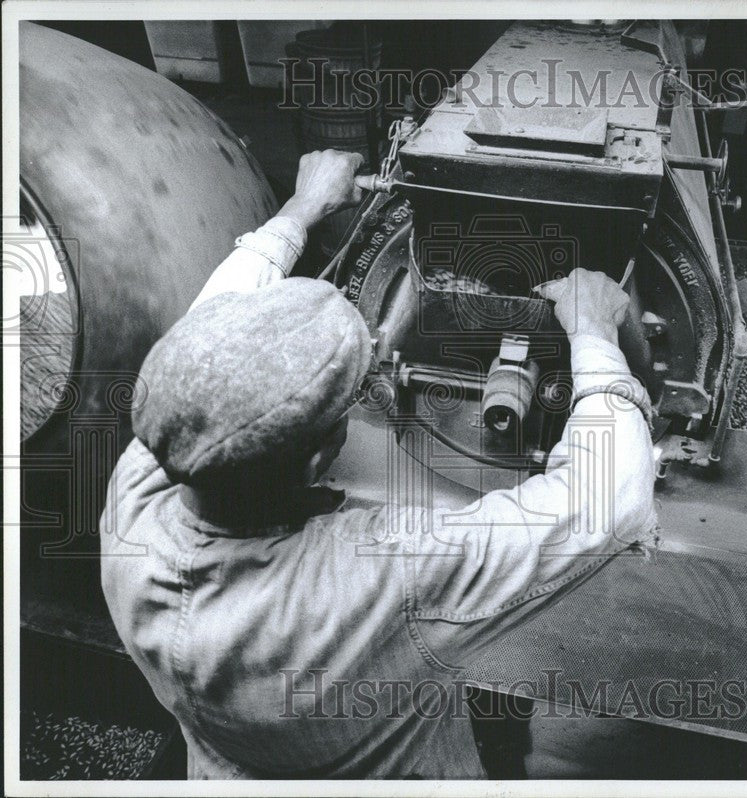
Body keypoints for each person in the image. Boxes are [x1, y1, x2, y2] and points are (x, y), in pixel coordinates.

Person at [100, 149, 657, 779]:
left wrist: (300, 211)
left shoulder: (132, 506)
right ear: (316, 458)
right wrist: (594, 336)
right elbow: (609, 503)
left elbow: (203, 338)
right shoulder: (380, 577)